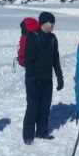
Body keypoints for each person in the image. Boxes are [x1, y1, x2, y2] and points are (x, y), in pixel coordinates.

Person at [23, 11, 63, 144]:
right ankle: (28, 135)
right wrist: (30, 80)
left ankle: (41, 131)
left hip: (47, 78)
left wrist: (59, 77)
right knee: (33, 107)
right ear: (44, 22)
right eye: (51, 22)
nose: (53, 25)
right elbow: (28, 61)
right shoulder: (33, 37)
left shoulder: (53, 38)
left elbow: (55, 59)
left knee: (45, 107)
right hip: (34, 79)